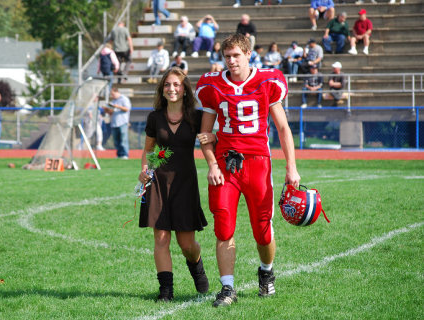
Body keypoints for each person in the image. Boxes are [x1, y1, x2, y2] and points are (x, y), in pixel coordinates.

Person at [196, 33, 301, 307]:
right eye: (227, 56)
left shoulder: (267, 81)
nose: (231, 61)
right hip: (226, 165)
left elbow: (282, 128)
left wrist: (291, 167)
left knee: (263, 230)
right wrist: (212, 165)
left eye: (236, 56)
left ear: (248, 55)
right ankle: (227, 288)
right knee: (223, 227)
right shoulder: (213, 85)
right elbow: (204, 134)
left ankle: (266, 271)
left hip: (257, 163)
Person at [138, 67, 214, 301]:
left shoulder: (196, 116)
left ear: (184, 90)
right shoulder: (155, 117)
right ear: (162, 89)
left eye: (177, 85)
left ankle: (197, 266)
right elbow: (150, 151)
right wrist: (144, 170)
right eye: (168, 85)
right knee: (161, 238)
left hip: (185, 183)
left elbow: (213, 137)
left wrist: (213, 137)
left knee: (187, 243)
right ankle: (166, 291)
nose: (172, 89)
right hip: (158, 182)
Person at [103, 86, 131, 159]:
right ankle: (119, 155)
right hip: (114, 123)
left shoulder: (124, 99)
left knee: (123, 139)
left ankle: (125, 154)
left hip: (122, 122)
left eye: (113, 94)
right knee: (116, 140)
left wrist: (118, 106)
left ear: (117, 92)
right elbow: (111, 113)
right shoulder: (113, 101)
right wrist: (106, 109)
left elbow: (127, 109)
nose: (112, 96)